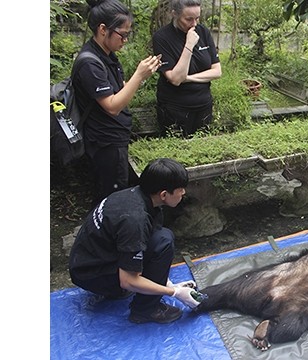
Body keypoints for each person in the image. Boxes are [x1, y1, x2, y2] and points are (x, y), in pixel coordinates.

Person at [69, 158, 200, 324]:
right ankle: (145, 311)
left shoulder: (138, 196)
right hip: (91, 274)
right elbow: (128, 280)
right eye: (180, 189)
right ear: (164, 194)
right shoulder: (134, 220)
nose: (183, 193)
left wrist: (167, 282)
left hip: (92, 258)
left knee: (161, 237)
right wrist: (173, 292)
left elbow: (146, 241)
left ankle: (134, 288)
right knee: (164, 242)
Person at [73, 0, 163, 203]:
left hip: (114, 138)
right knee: (112, 199)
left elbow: (120, 90)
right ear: (103, 29)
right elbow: (112, 106)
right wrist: (138, 76)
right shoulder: (89, 63)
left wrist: (141, 77)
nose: (125, 40)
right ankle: (108, 233)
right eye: (122, 34)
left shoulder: (107, 55)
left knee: (120, 192)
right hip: (104, 142)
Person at [152, 0, 222, 137]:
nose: (194, 24)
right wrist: (189, 45)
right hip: (175, 109)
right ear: (174, 14)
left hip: (203, 105)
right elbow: (176, 79)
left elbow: (217, 71)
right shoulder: (162, 37)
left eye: (197, 18)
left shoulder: (203, 32)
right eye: (189, 19)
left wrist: (189, 78)